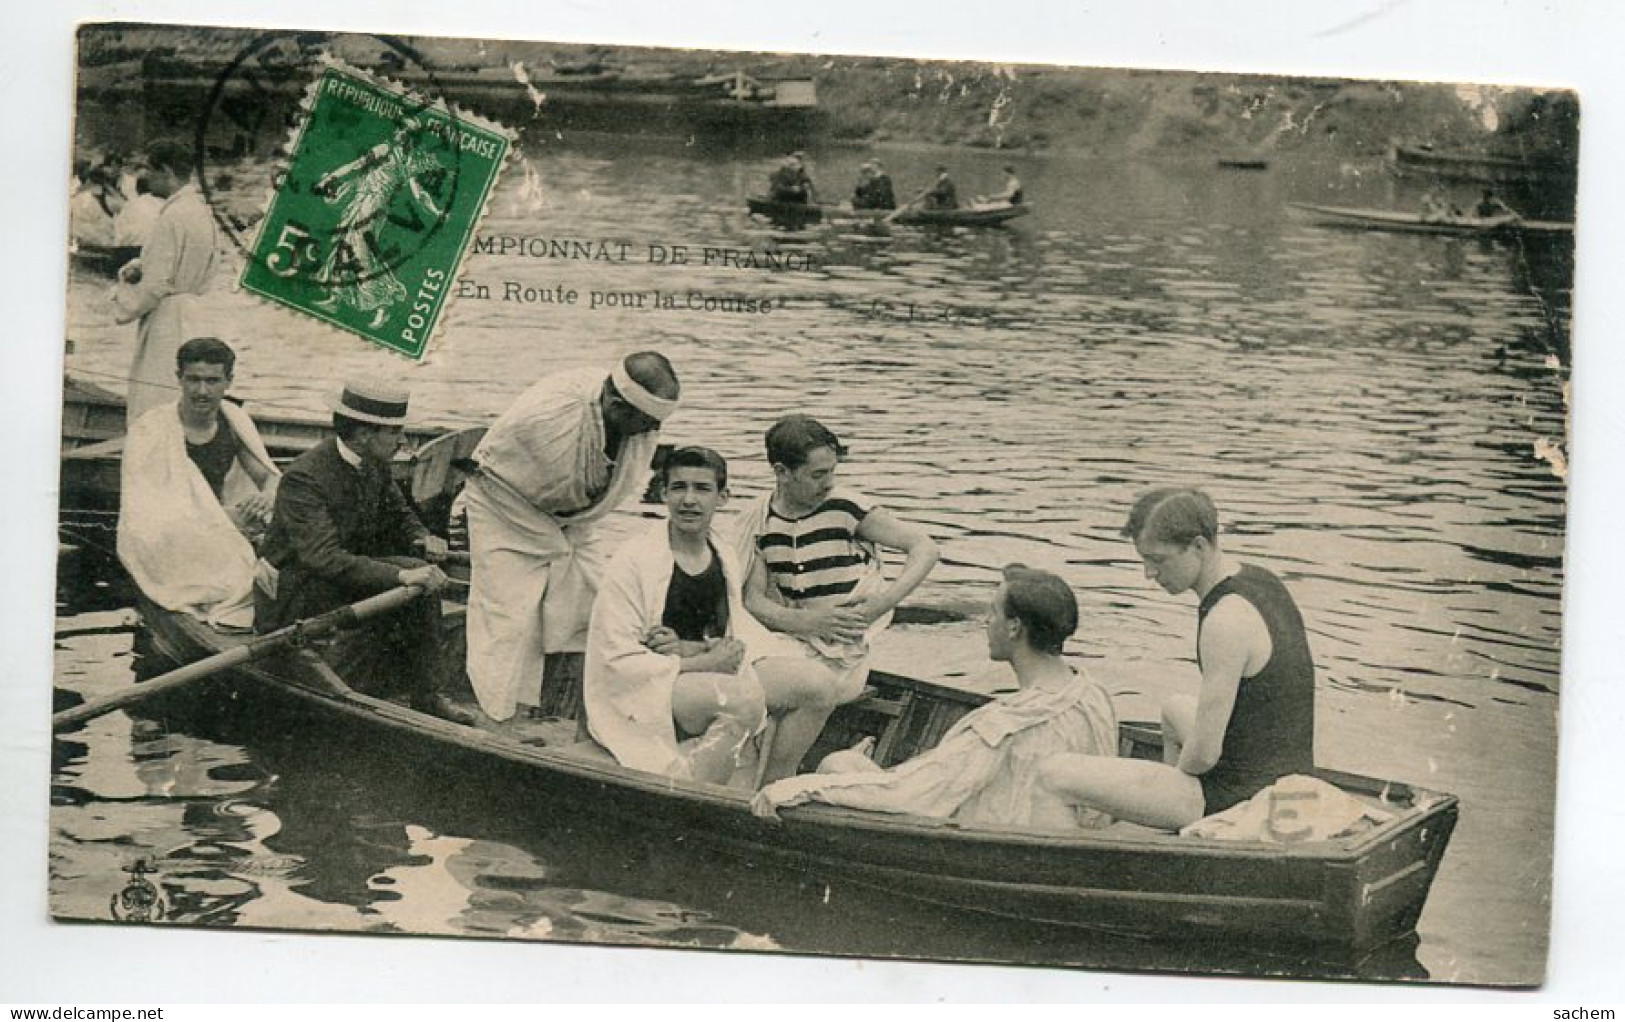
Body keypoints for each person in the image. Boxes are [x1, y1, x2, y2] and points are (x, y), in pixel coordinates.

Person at [752, 564, 1118, 828]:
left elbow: (904, 795)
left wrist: (793, 787)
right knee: (854, 767)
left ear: (1014, 627)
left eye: (992, 613)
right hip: (1048, 817)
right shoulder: (1090, 692)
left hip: (994, 836)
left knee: (837, 765)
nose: (984, 623)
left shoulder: (1003, 725)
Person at [1036, 488, 1316, 830]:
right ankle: (1169, 836)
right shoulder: (1260, 580)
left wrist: (1162, 784)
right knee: (1173, 709)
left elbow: (1203, 755)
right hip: (1287, 776)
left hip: (1243, 796)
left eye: (1158, 560)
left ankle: (1065, 870)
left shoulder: (1224, 621)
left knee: (1052, 775)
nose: (1148, 574)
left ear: (1198, 546)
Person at [464, 352, 681, 722]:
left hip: (573, 518)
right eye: (642, 424)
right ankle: (495, 717)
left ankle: (584, 710)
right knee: (509, 614)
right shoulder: (551, 416)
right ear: (616, 404)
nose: (648, 435)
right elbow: (557, 493)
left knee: (603, 596)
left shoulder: (628, 418)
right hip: (505, 505)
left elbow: (585, 501)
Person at [734, 414, 939, 784]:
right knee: (738, 677)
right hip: (791, 640)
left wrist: (881, 604)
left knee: (801, 690)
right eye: (817, 475)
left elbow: (923, 547)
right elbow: (753, 602)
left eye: (831, 471)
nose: (828, 483)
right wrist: (806, 622)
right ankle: (751, 776)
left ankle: (777, 780)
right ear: (782, 472)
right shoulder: (762, 520)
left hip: (843, 656)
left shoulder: (846, 507)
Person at [256, 381, 473, 724]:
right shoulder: (304, 478)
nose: (403, 440)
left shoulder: (374, 462)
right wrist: (401, 575)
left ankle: (429, 695)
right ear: (362, 436)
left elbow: (399, 514)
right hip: (300, 589)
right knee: (413, 576)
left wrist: (423, 537)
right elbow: (323, 558)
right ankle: (412, 692)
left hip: (344, 577)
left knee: (421, 574)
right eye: (394, 432)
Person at [583, 446, 771, 784]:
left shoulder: (724, 556)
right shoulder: (635, 559)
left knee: (780, 692)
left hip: (689, 675)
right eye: (679, 487)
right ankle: (692, 799)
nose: (689, 500)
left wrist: (689, 650)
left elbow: (723, 639)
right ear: (663, 494)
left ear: (723, 497)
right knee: (742, 702)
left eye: (702, 489)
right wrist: (703, 663)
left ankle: (725, 782)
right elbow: (616, 658)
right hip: (640, 690)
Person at [117, 337, 281, 630]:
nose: (202, 391)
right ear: (178, 378)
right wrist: (219, 518)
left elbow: (269, 476)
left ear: (228, 382)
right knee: (244, 576)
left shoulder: (233, 422)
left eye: (212, 381)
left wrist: (267, 496)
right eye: (193, 380)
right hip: (169, 533)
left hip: (218, 525)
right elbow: (143, 511)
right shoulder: (150, 428)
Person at [111, 138, 220, 426]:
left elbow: (154, 286)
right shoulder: (202, 212)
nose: (144, 177)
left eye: (149, 169)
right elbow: (209, 271)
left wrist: (123, 299)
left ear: (168, 171)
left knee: (154, 400)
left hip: (168, 321)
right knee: (184, 395)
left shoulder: (171, 217)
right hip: (196, 316)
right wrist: (144, 265)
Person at [69, 163, 123, 248]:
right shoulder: (109, 198)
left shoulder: (76, 197)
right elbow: (124, 207)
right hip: (102, 242)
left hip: (79, 240)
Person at [113, 174, 165, 249]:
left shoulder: (131, 205)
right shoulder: (164, 203)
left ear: (136, 190)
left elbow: (119, 235)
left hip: (130, 250)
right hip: (155, 248)